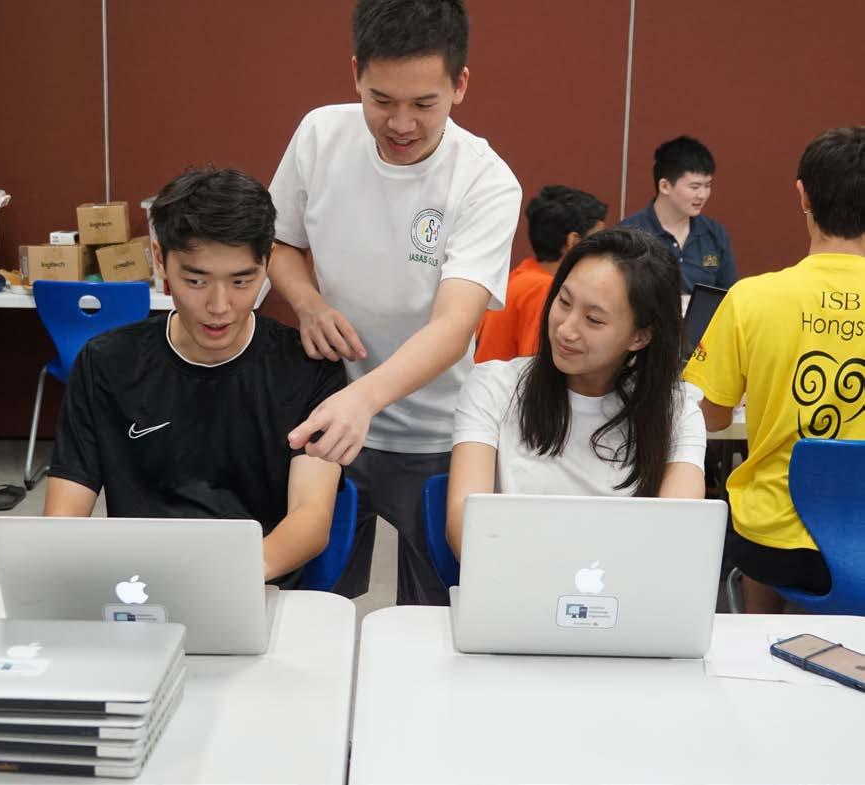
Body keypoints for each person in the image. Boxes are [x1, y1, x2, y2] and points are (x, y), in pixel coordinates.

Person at [268, 0, 521, 604]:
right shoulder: (320, 135)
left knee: (436, 614)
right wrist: (307, 302)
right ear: (355, 73)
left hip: (434, 431)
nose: (400, 123)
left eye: (423, 104)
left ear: (460, 85)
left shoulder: (485, 180)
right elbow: (277, 241)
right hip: (325, 410)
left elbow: (454, 325)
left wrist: (364, 398)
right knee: (310, 604)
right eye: (381, 100)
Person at [43, 168, 346, 588]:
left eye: (241, 281)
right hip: (138, 589)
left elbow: (310, 519)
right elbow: (63, 517)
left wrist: (224, 581)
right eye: (196, 280)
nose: (219, 306)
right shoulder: (106, 364)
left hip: (255, 584)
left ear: (268, 262)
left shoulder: (309, 369)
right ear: (159, 258)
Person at [683, 126, 865, 613]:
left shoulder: (751, 299)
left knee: (763, 569)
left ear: (803, 195)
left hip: (773, 541)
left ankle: (756, 635)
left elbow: (711, 417)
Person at [447, 228, 706, 557]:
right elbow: (464, 526)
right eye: (564, 302)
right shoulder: (495, 386)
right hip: (515, 577)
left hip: (625, 585)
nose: (566, 329)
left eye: (593, 319)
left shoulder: (677, 410)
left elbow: (677, 535)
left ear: (640, 337)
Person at [475, 185, 607, 362]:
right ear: (574, 242)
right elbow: (537, 364)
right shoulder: (544, 290)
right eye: (597, 239)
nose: (603, 251)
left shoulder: (521, 278)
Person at [621, 136, 737, 293]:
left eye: (707, 185)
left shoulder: (715, 234)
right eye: (694, 187)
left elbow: (728, 295)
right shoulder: (629, 234)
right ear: (665, 186)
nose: (703, 195)